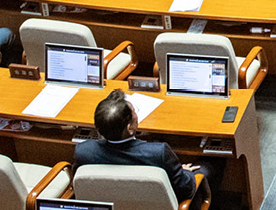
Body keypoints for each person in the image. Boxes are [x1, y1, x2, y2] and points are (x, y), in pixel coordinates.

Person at [73, 89, 206, 208]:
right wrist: (185, 172)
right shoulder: (159, 152)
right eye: (134, 112)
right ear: (130, 128)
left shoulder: (83, 151)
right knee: (207, 167)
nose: (136, 114)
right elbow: (185, 189)